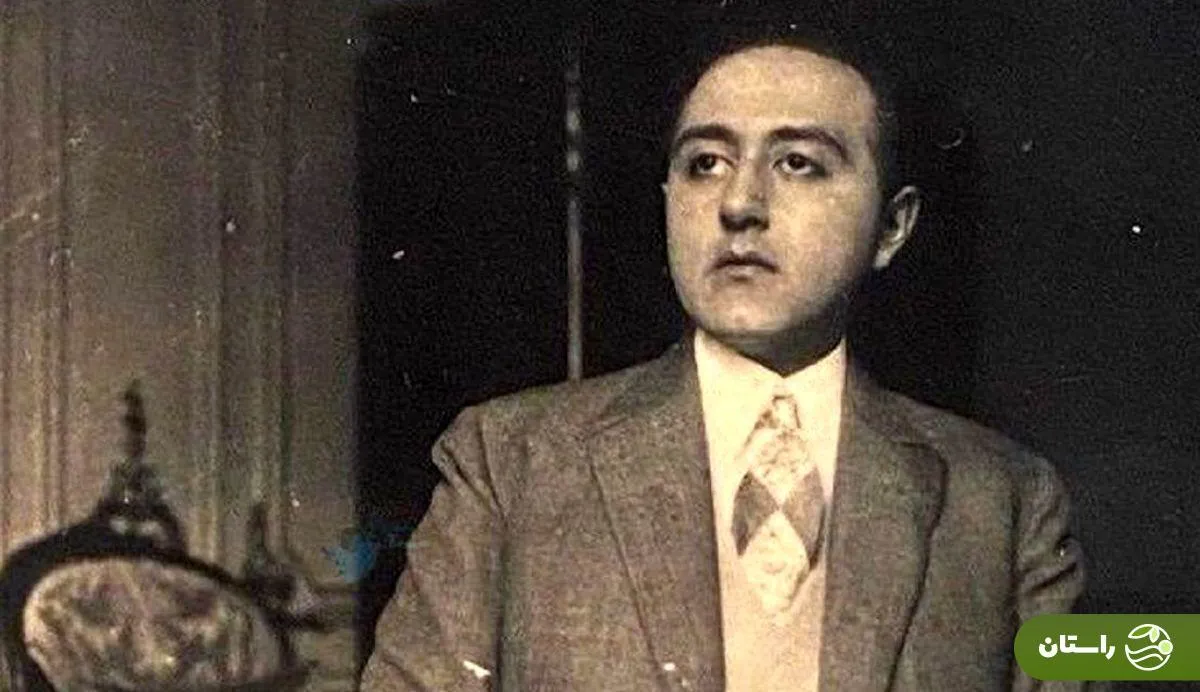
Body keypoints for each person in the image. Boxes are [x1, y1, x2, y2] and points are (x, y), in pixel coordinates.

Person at [360, 20, 1091, 692]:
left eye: (798, 163)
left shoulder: (1003, 500)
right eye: (705, 163)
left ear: (892, 228)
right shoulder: (509, 464)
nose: (739, 203)